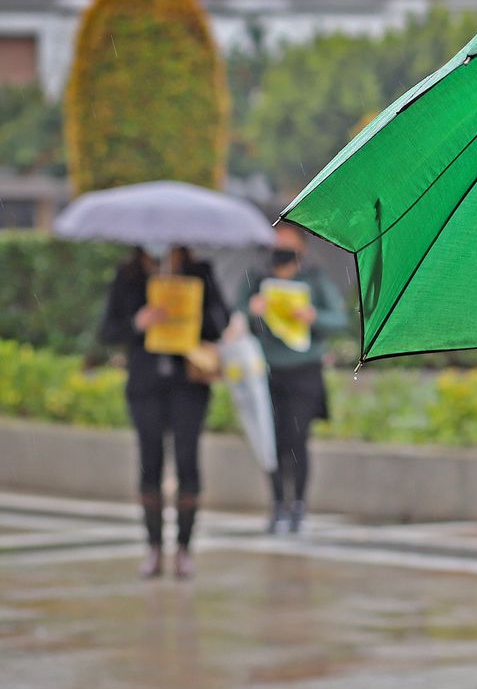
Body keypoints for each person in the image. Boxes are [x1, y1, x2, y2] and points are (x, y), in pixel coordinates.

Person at [98, 245, 230, 579]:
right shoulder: (128, 276)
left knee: (187, 461)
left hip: (188, 383)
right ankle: (154, 548)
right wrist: (139, 321)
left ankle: (184, 548)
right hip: (145, 385)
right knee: (150, 462)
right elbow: (108, 331)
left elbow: (221, 322)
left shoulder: (199, 271)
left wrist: (192, 311)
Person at [237, 223, 348, 534]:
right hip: (266, 371)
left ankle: (297, 503)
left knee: (296, 439)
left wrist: (313, 316)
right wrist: (251, 310)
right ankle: (277, 504)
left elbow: (339, 318)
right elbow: (234, 317)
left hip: (304, 371)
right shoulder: (257, 278)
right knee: (271, 440)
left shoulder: (314, 278)